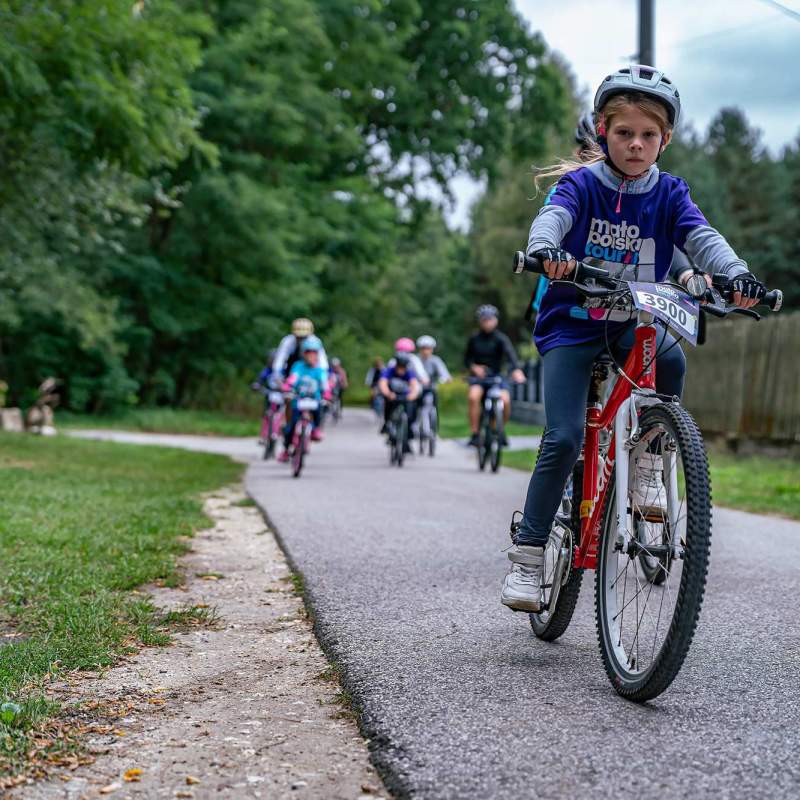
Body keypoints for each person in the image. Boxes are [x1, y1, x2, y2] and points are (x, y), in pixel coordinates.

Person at [501, 65, 765, 612]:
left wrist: (737, 274)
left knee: (672, 362)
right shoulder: (580, 184)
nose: (636, 144)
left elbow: (702, 236)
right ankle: (529, 555)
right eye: (624, 134)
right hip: (572, 326)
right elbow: (552, 219)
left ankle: (650, 459)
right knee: (566, 436)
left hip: (632, 326)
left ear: (664, 140)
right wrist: (547, 250)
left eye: (649, 135)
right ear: (603, 132)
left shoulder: (669, 193)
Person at [464, 306, 526, 448]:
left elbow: (511, 355)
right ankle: (475, 434)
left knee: (505, 400)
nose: (487, 323)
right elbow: (467, 359)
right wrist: (474, 367)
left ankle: (498, 429)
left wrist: (516, 370)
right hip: (478, 378)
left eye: (490, 319)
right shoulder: (474, 338)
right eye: (484, 320)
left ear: (496, 320)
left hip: (497, 376)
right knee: (473, 397)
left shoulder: (501, 339)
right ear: (480, 321)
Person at [278, 336, 331, 462]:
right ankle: (286, 448)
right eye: (309, 354)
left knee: (319, 412)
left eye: (314, 354)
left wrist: (327, 393)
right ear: (304, 354)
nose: (312, 357)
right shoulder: (298, 366)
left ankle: (316, 429)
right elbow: (293, 377)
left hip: (314, 399)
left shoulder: (319, 370)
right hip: (299, 399)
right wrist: (288, 386)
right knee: (291, 425)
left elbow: (324, 383)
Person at [378, 352, 421, 452]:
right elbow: (383, 383)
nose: (401, 369)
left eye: (403, 367)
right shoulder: (389, 371)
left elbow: (414, 385)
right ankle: (387, 424)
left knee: (412, 410)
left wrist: (412, 395)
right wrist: (388, 394)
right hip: (392, 395)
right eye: (400, 366)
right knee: (388, 406)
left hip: (405, 396)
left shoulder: (409, 372)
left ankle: (409, 432)